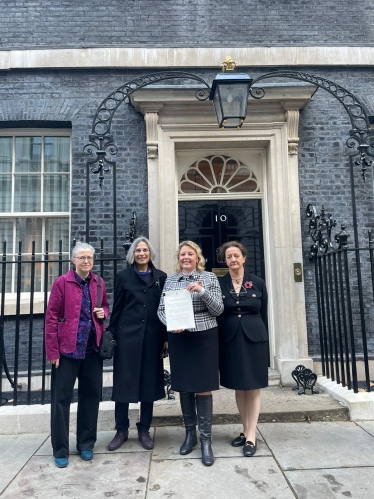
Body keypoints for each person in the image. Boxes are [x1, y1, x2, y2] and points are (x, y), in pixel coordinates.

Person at [157, 241, 223, 466]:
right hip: (180, 338)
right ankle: (190, 435)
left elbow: (218, 310)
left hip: (204, 337)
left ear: (197, 257)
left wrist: (201, 291)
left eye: (190, 254)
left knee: (203, 386)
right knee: (183, 385)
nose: (186, 257)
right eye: (182, 254)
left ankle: (206, 441)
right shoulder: (171, 280)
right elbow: (161, 309)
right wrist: (170, 324)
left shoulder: (209, 278)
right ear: (179, 258)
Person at [45, 242, 109, 468]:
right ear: (73, 260)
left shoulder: (98, 282)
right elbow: (51, 318)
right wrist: (52, 350)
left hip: (92, 349)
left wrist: (103, 312)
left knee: (91, 396)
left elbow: (104, 308)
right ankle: (60, 448)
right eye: (81, 257)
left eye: (89, 258)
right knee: (61, 400)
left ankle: (86, 443)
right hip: (66, 350)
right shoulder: (62, 283)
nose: (86, 261)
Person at [107, 237, 167, 452]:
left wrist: (166, 338)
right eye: (138, 250)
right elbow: (118, 307)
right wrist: (111, 333)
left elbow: (165, 308)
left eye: (145, 250)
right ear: (133, 254)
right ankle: (121, 430)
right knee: (124, 384)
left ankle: (144, 429)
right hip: (127, 338)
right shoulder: (124, 276)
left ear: (150, 253)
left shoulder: (161, 277)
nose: (142, 253)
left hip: (153, 338)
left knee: (148, 384)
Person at [217, 241, 269, 457]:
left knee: (253, 386)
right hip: (230, 339)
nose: (233, 259)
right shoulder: (220, 284)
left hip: (254, 339)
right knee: (240, 386)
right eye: (229, 256)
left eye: (236, 255)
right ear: (225, 260)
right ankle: (246, 429)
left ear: (244, 258)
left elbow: (264, 312)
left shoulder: (257, 282)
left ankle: (251, 436)